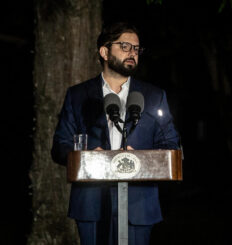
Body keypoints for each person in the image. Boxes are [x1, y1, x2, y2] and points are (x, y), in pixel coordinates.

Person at [51, 22, 179, 245]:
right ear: (104, 52)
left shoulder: (153, 96)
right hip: (91, 204)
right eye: (125, 46)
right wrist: (90, 157)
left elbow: (171, 146)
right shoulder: (78, 95)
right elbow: (60, 145)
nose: (133, 53)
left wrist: (140, 159)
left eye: (136, 49)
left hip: (138, 205)